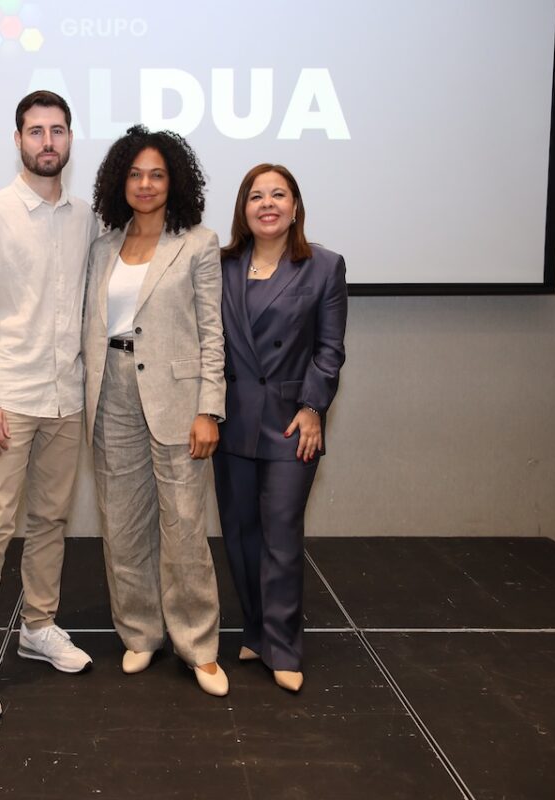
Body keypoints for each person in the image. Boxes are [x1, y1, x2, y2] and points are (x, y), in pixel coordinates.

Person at [0, 90, 98, 721]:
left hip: (67, 398)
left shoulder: (86, 218)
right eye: (36, 131)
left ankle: (38, 626)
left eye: (57, 131)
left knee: (51, 522)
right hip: (7, 401)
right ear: (18, 140)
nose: (47, 142)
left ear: (70, 139)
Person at [82, 125, 228, 696]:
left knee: (185, 526)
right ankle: (140, 634)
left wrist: (209, 409)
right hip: (110, 392)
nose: (145, 184)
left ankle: (198, 647)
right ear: (120, 181)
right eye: (136, 174)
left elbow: (212, 333)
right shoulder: (102, 247)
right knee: (122, 525)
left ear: (175, 182)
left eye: (157, 175)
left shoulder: (198, 243)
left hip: (177, 397)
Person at [212, 164, 348, 693]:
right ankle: (256, 632)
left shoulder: (324, 266)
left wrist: (314, 407)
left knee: (282, 535)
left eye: (278, 194)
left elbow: (329, 349)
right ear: (243, 209)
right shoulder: (221, 266)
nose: (267, 204)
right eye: (256, 196)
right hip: (231, 420)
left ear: (295, 207)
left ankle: (284, 646)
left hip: (293, 422)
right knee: (241, 535)